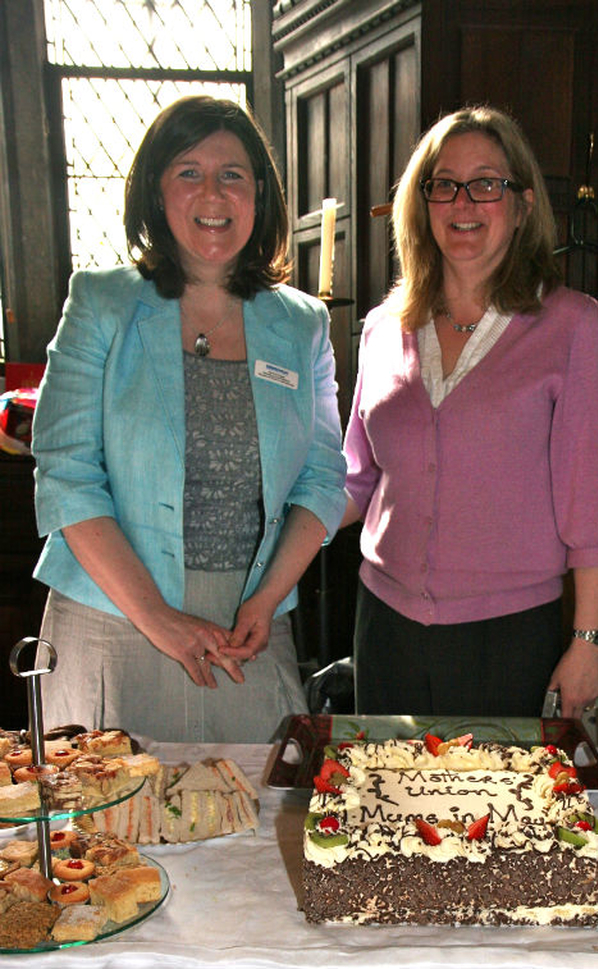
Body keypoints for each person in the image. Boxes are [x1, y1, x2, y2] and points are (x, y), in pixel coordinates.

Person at [31, 96, 346, 743]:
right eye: (188, 171)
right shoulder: (102, 302)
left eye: (232, 173)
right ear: (155, 188)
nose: (212, 192)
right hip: (113, 617)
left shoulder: (302, 325)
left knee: (252, 826)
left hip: (246, 634)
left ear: (260, 191)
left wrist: (264, 601)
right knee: (109, 832)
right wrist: (159, 617)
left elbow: (323, 480)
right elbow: (66, 475)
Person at [342, 104, 598, 720]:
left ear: (523, 204)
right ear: (422, 204)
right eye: (443, 184)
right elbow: (355, 479)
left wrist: (589, 641)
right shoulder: (381, 329)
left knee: (493, 812)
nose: (462, 202)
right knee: (386, 808)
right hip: (384, 625)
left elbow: (596, 506)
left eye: (487, 184)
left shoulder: (572, 327)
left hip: (505, 637)